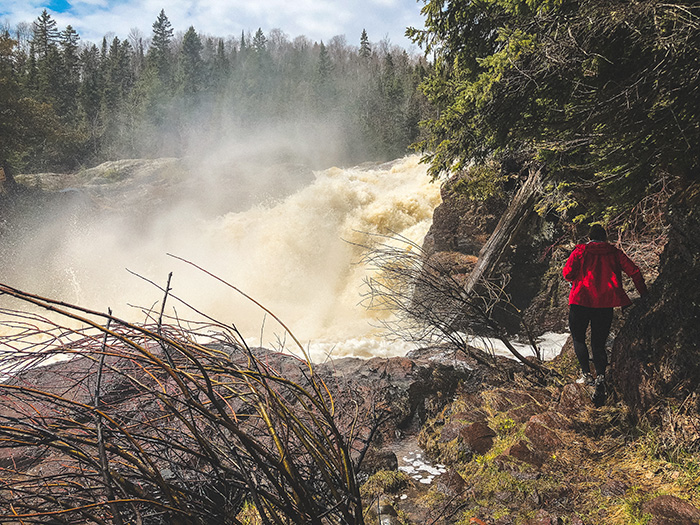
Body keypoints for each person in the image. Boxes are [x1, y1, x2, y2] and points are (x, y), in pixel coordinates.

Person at [563, 224, 648, 392]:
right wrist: (644, 295)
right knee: (598, 342)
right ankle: (601, 376)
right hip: (605, 304)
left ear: (589, 238)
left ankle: (587, 375)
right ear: (605, 238)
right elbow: (635, 272)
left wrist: (577, 277)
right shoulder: (614, 253)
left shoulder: (580, 251)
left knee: (578, 339)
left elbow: (567, 274)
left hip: (580, 301)